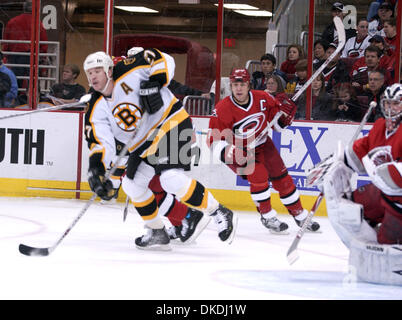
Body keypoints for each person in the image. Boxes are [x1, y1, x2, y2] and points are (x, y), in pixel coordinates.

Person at [83, 50, 237, 250]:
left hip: (171, 122)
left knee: (170, 178)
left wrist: (155, 83)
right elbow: (101, 142)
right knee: (131, 185)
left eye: (97, 70)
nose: (93, 76)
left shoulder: (129, 68)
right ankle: (157, 230)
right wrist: (96, 169)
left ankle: (219, 212)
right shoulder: (95, 106)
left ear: (109, 70)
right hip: (143, 145)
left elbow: (163, 59)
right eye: (89, 73)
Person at [207, 68, 320, 234]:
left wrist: (285, 117)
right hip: (238, 151)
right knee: (258, 176)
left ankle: (300, 214)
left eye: (242, 84)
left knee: (283, 179)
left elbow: (276, 125)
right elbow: (213, 140)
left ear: (249, 85)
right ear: (231, 86)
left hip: (263, 144)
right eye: (235, 84)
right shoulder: (222, 108)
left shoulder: (264, 98)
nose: (239, 88)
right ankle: (267, 216)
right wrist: (231, 152)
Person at [321, 83, 401, 285]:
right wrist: (335, 164)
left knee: (387, 245)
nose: (391, 108)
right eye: (388, 103)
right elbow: (360, 150)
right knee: (350, 206)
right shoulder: (381, 125)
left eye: (396, 104)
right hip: (383, 191)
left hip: (399, 203)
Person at [2, 0, 48, 91]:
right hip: (32, 57)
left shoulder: (12, 21)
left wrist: (6, 55)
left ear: (23, 8)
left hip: (15, 57)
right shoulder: (38, 23)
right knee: (32, 82)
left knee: (15, 80)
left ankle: (16, 100)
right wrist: (43, 58)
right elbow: (43, 43)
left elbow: (6, 42)